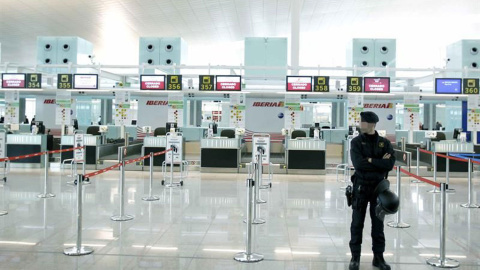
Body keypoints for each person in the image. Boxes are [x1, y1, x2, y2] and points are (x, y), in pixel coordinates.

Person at [349, 111, 395, 270]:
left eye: (363, 122)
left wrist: (369, 160)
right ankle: (355, 257)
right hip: (360, 187)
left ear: (372, 124)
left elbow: (389, 165)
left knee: (378, 224)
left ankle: (378, 257)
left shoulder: (384, 143)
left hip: (379, 189)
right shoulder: (355, 142)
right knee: (357, 223)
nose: (360, 124)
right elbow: (358, 164)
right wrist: (378, 162)